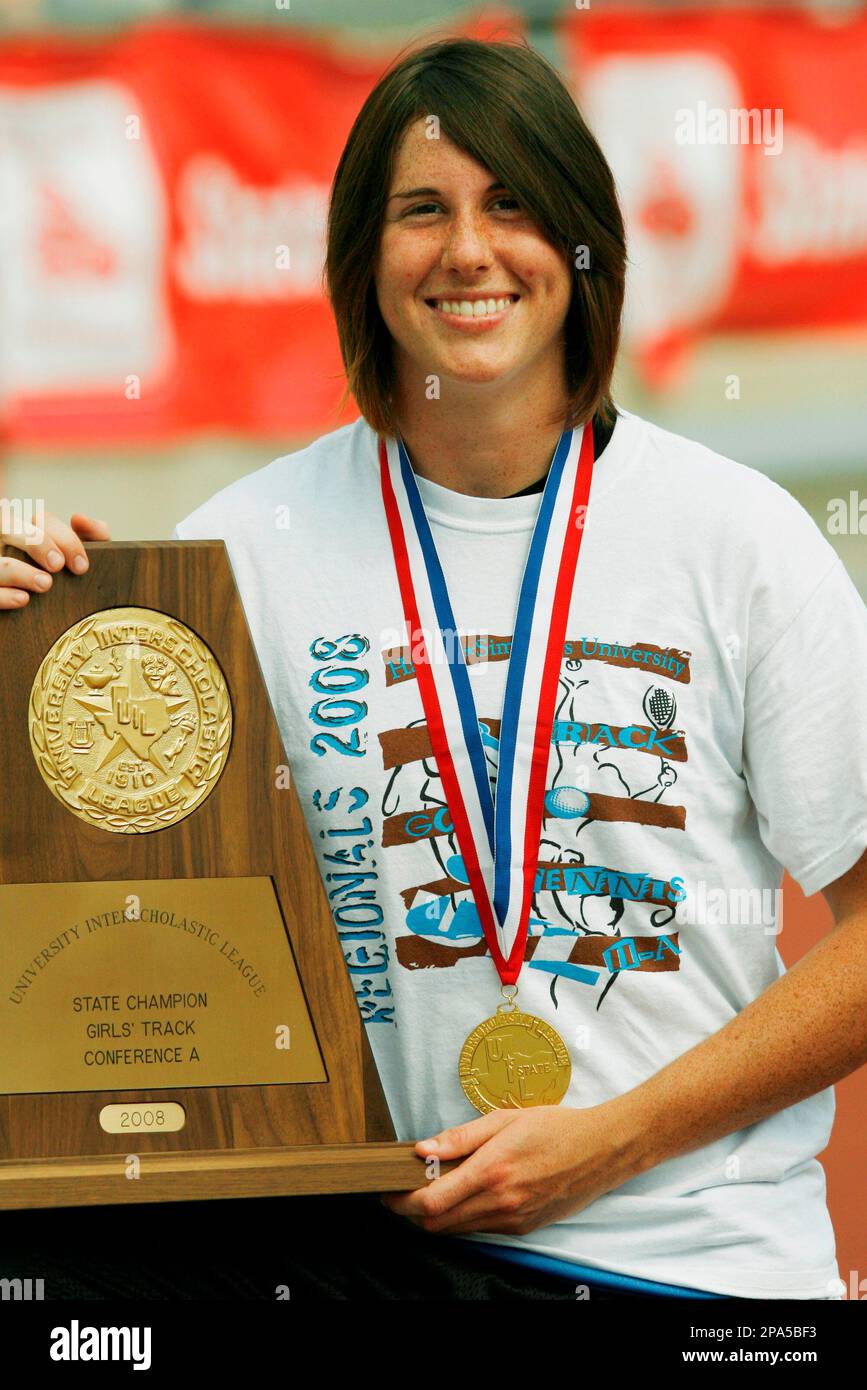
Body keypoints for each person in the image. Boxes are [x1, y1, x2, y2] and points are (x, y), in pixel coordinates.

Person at [1, 37, 865, 1303]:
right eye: (423, 210)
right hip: (366, 1252)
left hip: (694, 1266)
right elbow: (112, 922)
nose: (470, 250)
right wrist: (40, 640)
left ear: (583, 246)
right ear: (365, 259)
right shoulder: (236, 551)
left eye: (512, 203)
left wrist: (614, 1136)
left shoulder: (735, 536)